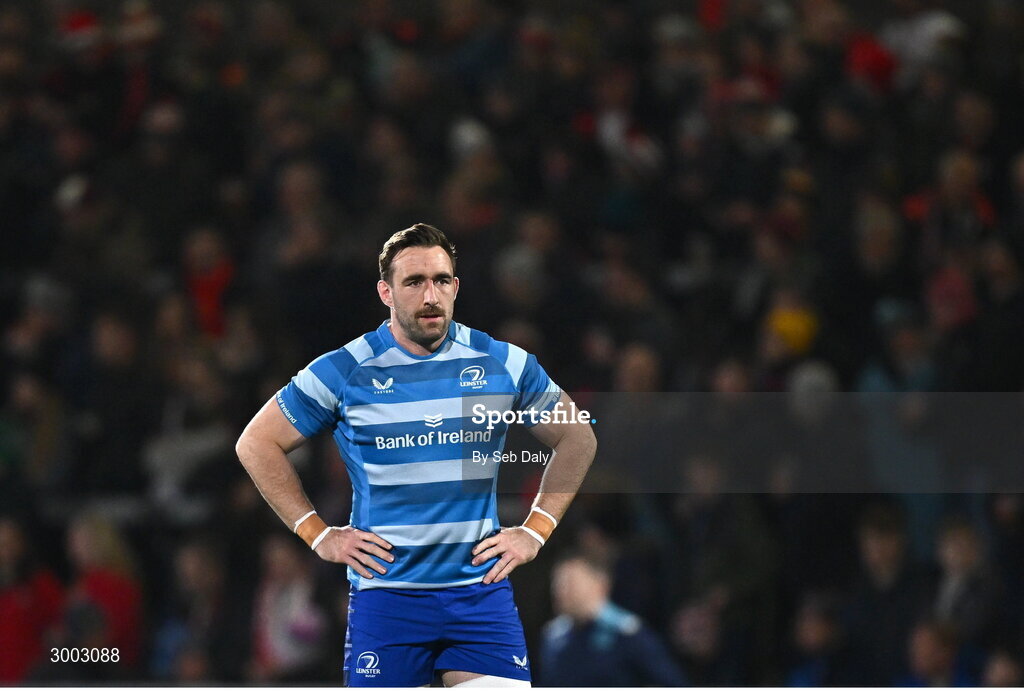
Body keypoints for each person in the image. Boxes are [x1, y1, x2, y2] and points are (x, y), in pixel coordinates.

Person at [236, 223, 597, 686]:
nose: (431, 295)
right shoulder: (346, 369)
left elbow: (578, 438)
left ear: (456, 287)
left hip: (479, 597)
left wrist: (536, 530)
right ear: (386, 292)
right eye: (414, 282)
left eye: (441, 280)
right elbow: (256, 442)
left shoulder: (502, 362)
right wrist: (317, 534)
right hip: (388, 601)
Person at [537, 552, 687, 686]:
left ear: (600, 585)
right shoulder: (554, 637)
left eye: (570, 582)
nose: (560, 591)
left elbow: (671, 683)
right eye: (557, 583)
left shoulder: (628, 633)